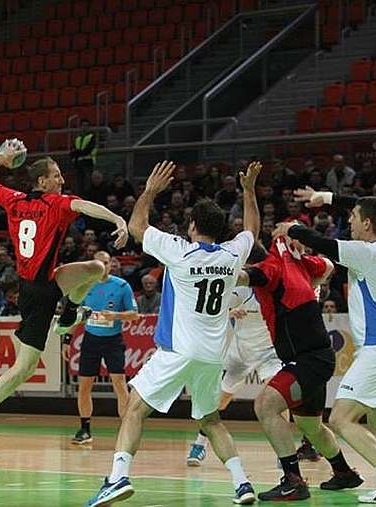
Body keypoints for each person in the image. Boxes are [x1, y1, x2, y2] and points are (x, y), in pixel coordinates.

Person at [86, 160, 262, 507]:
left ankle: (118, 478)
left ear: (192, 226)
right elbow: (252, 230)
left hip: (178, 350)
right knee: (210, 420)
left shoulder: (180, 252)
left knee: (134, 409)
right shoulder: (232, 254)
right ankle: (242, 484)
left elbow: (137, 227)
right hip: (212, 356)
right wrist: (248, 191)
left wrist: (150, 191)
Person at [0, 139, 129, 453]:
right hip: (36, 295)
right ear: (42, 181)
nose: (62, 179)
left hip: (47, 280)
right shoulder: (56, 204)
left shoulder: (14, 200)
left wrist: (0, 158)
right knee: (24, 369)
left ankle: (69, 313)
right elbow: (86, 206)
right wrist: (118, 219)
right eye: (56, 175)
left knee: (96, 267)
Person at [281, 187, 376, 503]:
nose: (350, 220)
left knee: (340, 419)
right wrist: (326, 198)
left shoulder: (366, 253)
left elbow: (320, 243)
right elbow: (365, 204)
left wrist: (290, 229)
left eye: (354, 218)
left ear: (367, 224)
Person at [237, 231, 363, 501]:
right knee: (311, 426)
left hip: (307, 361)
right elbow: (328, 265)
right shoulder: (295, 263)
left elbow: (242, 277)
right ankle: (344, 472)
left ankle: (292, 480)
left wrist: (213, 268)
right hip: (318, 357)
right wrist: (308, 277)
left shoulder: (269, 269)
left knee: (265, 405)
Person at [186, 249, 283, 467]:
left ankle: (283, 453)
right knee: (219, 401)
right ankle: (200, 443)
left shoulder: (276, 288)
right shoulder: (242, 290)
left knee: (278, 398)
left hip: (269, 353)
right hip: (240, 354)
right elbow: (210, 310)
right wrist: (228, 313)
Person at [65, 250, 139, 445]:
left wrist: (116, 316)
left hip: (113, 341)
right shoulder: (85, 285)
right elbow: (76, 314)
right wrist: (67, 339)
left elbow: (134, 314)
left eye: (106, 263)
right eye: (99, 263)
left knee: (119, 384)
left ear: (111, 265)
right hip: (91, 340)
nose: (103, 267)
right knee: (84, 386)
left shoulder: (122, 286)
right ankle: (85, 429)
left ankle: (126, 430)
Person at [71, 119, 98, 194]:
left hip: (88, 161)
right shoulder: (77, 138)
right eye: (83, 126)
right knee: (79, 183)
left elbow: (89, 150)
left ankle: (88, 196)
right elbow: (73, 150)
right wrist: (78, 153)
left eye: (86, 126)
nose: (84, 127)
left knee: (87, 182)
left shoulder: (92, 136)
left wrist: (78, 152)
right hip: (78, 162)